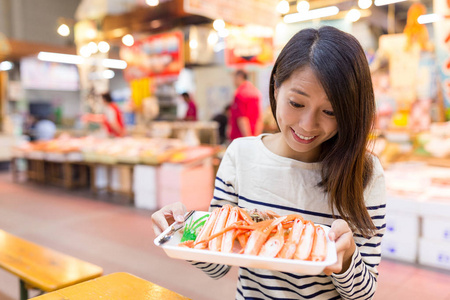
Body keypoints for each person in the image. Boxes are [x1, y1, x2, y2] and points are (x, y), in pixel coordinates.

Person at [151, 26, 386, 299]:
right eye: (297, 103)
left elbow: (364, 294)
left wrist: (345, 260)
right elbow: (217, 265)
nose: (308, 125)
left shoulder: (364, 173)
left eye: (330, 111)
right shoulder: (241, 156)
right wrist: (182, 230)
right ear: (275, 88)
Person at [228, 69, 262, 140]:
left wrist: (248, 139)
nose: (233, 81)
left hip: (241, 138)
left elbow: (242, 118)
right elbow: (259, 117)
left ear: (240, 77)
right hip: (255, 136)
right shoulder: (256, 92)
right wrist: (256, 138)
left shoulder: (240, 93)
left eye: (234, 77)